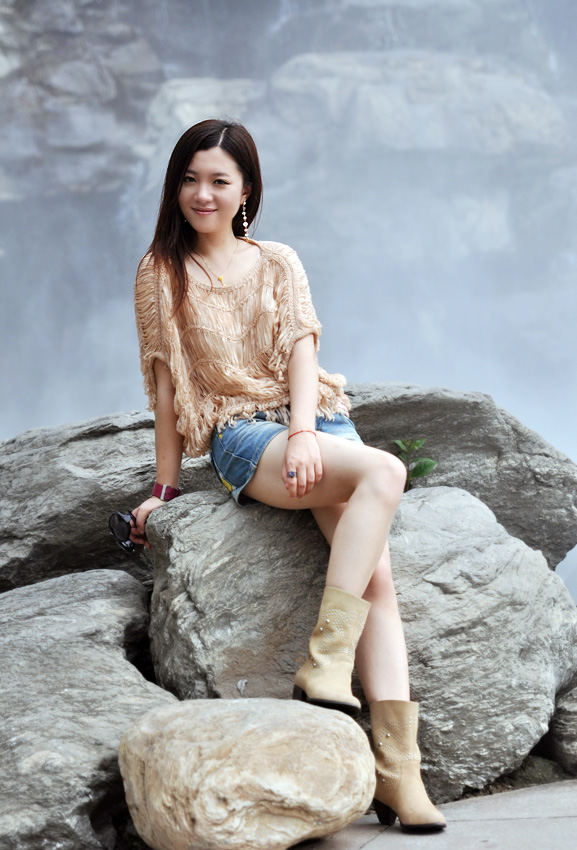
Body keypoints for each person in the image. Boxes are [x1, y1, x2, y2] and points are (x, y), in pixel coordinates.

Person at [130, 118, 446, 832]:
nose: (202, 194)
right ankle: (325, 662)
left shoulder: (278, 261)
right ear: (175, 187)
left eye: (219, 181)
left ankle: (399, 774)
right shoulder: (160, 271)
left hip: (317, 422)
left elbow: (303, 352)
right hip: (241, 434)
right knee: (386, 471)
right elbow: (168, 392)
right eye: (189, 180)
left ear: (246, 189)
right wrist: (163, 492)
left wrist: (305, 431)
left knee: (377, 581)